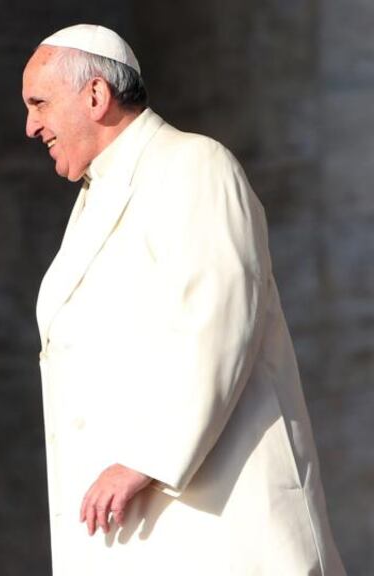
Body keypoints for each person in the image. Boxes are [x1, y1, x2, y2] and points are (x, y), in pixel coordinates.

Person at [25, 24, 346, 575]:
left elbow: (218, 319)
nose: (31, 126)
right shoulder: (94, 200)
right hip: (137, 535)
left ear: (95, 96)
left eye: (39, 103)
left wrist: (143, 459)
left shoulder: (193, 164)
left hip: (215, 525)